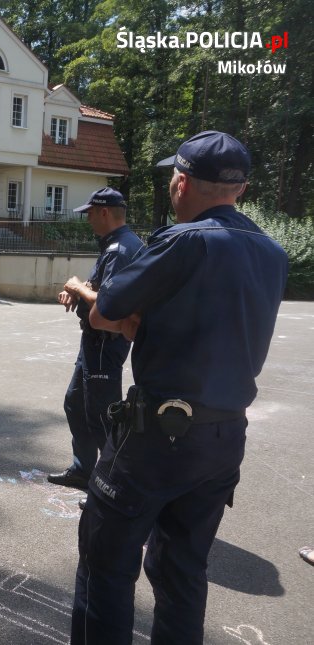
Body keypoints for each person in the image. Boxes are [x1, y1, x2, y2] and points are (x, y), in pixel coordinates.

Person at [72, 131, 288, 643]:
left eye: (174, 175)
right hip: (224, 437)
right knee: (182, 572)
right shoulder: (272, 252)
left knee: (106, 561)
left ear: (182, 182)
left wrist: (128, 319)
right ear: (241, 188)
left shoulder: (183, 240)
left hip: (155, 436)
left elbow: (106, 311)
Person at [46, 188, 144, 491]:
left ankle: (111, 484)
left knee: (102, 416)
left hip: (105, 342)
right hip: (94, 341)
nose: (87, 219)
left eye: (89, 213)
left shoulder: (121, 250)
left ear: (104, 212)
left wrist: (78, 286)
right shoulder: (116, 245)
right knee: (75, 404)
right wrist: (77, 291)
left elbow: (110, 304)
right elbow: (101, 286)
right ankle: (83, 470)